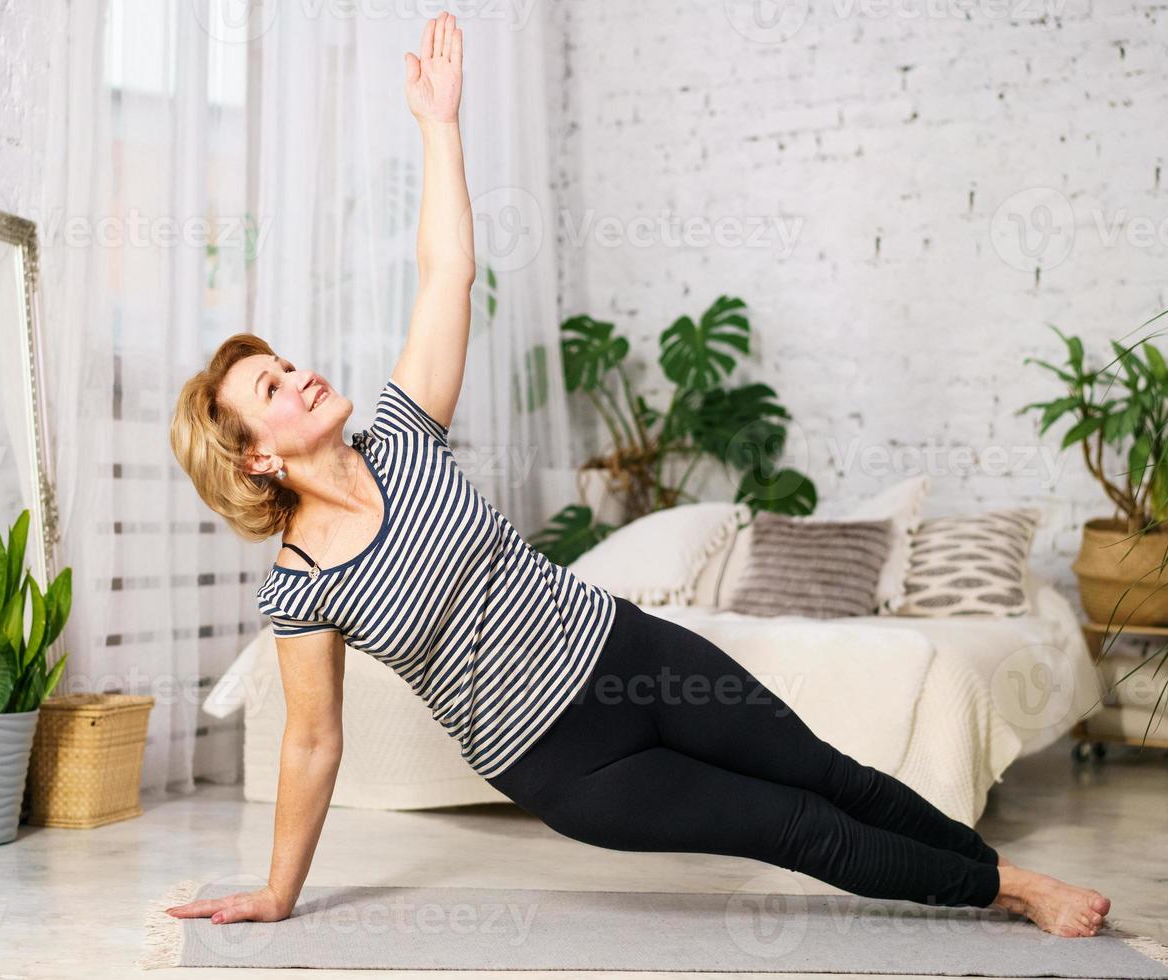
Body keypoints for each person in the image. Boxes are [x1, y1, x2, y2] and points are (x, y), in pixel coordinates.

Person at [164, 11, 1111, 940]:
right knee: (794, 828)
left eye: (287, 362)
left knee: (827, 774)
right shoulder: (300, 591)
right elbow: (312, 740)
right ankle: (1005, 893)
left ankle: (1008, 881)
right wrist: (279, 893)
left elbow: (445, 272)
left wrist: (439, 126)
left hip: (633, 657)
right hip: (562, 763)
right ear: (256, 456)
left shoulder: (404, 437)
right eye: (273, 387)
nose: (299, 375)